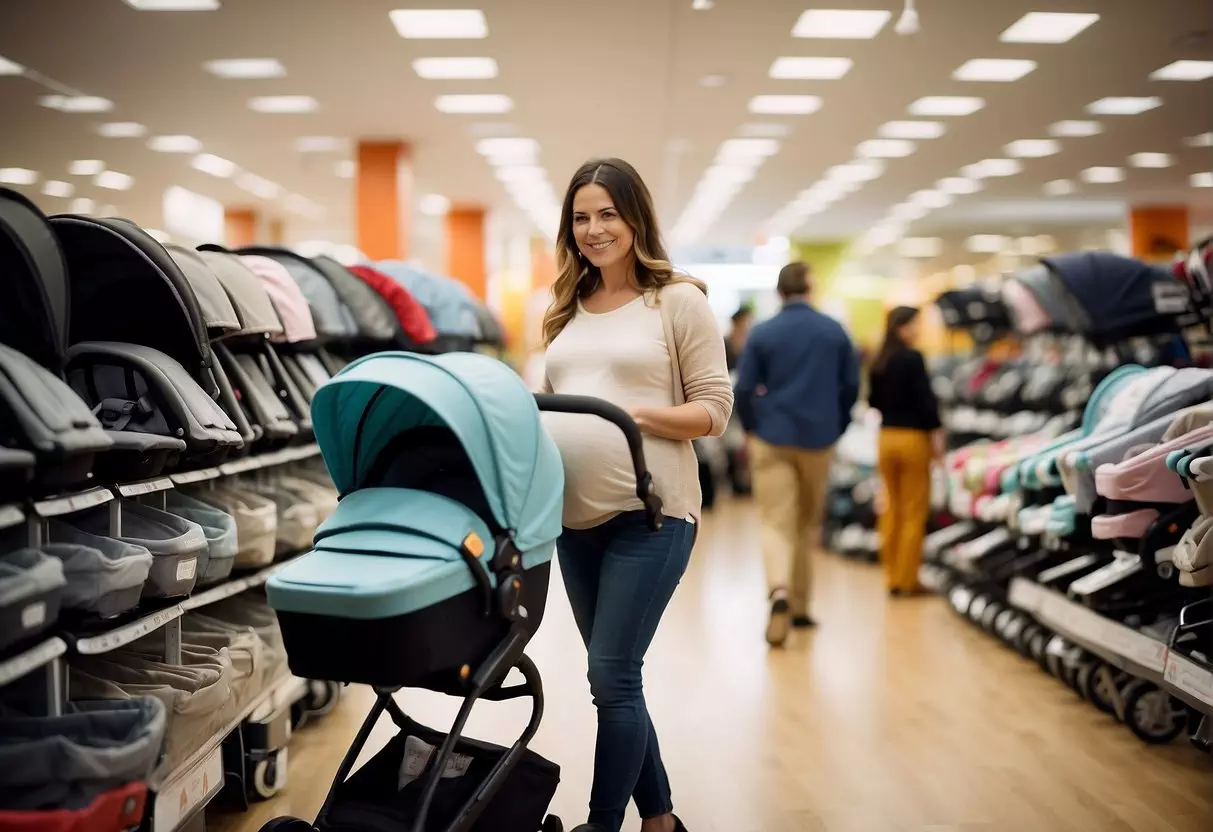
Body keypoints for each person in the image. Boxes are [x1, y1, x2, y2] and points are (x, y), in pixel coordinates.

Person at [538, 157, 733, 832]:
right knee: (613, 679)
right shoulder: (564, 307)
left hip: (650, 516)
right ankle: (659, 819)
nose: (593, 230)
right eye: (581, 217)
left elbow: (713, 411)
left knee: (611, 675)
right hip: (572, 519)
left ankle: (601, 823)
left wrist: (628, 414)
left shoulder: (677, 299)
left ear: (635, 219)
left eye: (607, 214)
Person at [733, 261, 859, 646]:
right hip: (819, 439)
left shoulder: (763, 332)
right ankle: (802, 608)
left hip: (773, 436)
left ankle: (779, 592)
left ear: (780, 291)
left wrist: (753, 428)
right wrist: (835, 426)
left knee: (775, 522)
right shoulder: (834, 331)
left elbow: (743, 387)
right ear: (808, 287)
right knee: (806, 523)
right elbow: (851, 387)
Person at [867, 306, 944, 597]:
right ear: (901, 327)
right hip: (913, 440)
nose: (918, 330)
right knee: (914, 510)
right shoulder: (913, 358)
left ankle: (891, 577)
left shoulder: (880, 359)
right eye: (915, 325)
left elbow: (873, 400)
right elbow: (926, 402)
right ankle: (907, 579)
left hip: (886, 438)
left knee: (891, 507)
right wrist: (936, 435)